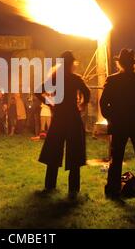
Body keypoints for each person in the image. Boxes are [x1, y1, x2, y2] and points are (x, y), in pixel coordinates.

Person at [100, 49, 135, 199]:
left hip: (119, 125)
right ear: (132, 64)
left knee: (116, 159)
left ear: (119, 63)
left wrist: (111, 118)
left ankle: (113, 190)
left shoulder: (112, 80)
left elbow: (103, 103)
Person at [36, 51, 90, 198]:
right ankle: (73, 189)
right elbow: (87, 92)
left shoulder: (55, 78)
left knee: (53, 152)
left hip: (59, 118)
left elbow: (37, 91)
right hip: (73, 117)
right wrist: (82, 105)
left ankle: (50, 186)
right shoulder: (76, 78)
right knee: (75, 154)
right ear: (71, 63)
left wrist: (51, 104)